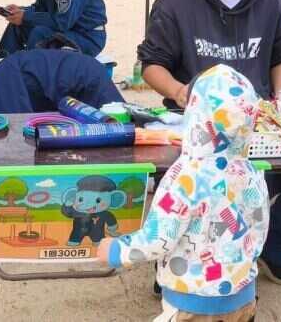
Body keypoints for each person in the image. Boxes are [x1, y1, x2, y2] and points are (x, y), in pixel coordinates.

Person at [137, 0, 281, 286]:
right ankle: (173, 263)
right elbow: (151, 65)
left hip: (255, 121)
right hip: (194, 126)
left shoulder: (272, 2)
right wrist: (182, 93)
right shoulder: (175, 3)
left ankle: (272, 253)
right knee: (186, 187)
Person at [97, 64, 269, 322]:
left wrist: (118, 251)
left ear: (195, 114)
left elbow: (158, 239)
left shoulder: (185, 178)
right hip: (243, 296)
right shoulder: (251, 171)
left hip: (192, 301)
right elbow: (259, 230)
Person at [0, 49, 123, 113]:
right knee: (13, 139)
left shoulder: (96, 79)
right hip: (13, 75)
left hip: (23, 72)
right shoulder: (97, 85)